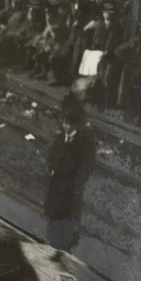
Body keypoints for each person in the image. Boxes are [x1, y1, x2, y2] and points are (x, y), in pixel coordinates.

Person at [43, 91, 96, 252]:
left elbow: (86, 165)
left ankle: (64, 247)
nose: (65, 126)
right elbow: (51, 155)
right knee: (54, 215)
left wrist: (77, 182)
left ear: (75, 124)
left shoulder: (83, 141)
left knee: (67, 218)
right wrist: (51, 168)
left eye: (68, 124)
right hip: (57, 184)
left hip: (70, 186)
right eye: (63, 122)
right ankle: (52, 243)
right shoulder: (60, 138)